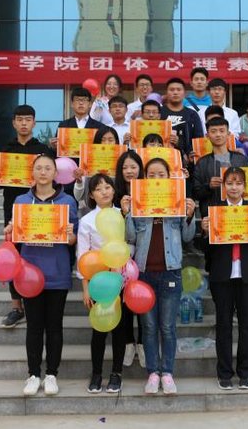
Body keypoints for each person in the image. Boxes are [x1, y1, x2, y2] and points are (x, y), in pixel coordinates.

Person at [3, 153, 78, 396]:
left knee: (54, 326)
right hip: (29, 273)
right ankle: (33, 374)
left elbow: (73, 240)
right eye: (39, 168)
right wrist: (10, 230)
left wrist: (70, 234)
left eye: (48, 168)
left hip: (57, 271)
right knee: (34, 326)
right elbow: (16, 239)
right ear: (32, 172)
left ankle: (52, 374)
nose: (43, 172)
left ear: (56, 173)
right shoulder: (21, 201)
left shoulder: (67, 201)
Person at [123, 158, 196, 395]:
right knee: (149, 326)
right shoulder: (138, 201)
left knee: (167, 327)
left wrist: (189, 215)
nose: (156, 179)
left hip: (171, 271)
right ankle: (153, 373)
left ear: (169, 177)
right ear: (145, 178)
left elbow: (187, 237)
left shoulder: (177, 200)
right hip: (144, 273)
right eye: (151, 175)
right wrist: (128, 213)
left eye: (161, 174)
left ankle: (168, 373)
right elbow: (130, 236)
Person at [0, 104, 50, 328]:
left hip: (39, 209)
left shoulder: (42, 150)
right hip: (12, 209)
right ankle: (16, 307)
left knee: (38, 254)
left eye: (28, 119)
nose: (24, 123)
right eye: (20, 120)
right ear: (14, 123)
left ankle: (38, 301)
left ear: (34, 123)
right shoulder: (5, 150)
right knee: (14, 255)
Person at [200, 167, 248, 390]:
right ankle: (224, 372)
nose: (234, 188)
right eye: (230, 183)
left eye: (238, 183)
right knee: (223, 325)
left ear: (245, 187)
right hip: (222, 275)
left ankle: (246, 372)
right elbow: (205, 249)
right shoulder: (215, 211)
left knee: (247, 326)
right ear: (224, 187)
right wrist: (205, 232)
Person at [76, 173, 126, 394]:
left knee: (119, 330)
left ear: (114, 190)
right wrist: (86, 288)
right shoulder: (87, 221)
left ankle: (116, 373)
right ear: (91, 195)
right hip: (98, 282)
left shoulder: (123, 214)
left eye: (107, 187)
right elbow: (82, 256)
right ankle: (96, 374)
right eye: (98, 189)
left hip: (122, 279)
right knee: (99, 330)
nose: (104, 192)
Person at [111, 151, 146, 368]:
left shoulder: (149, 192)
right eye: (125, 168)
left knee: (141, 299)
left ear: (140, 169)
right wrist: (124, 213)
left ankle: (142, 343)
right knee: (123, 301)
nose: (129, 171)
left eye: (133, 167)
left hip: (143, 254)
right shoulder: (114, 194)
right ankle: (127, 342)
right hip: (119, 256)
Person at [192, 116, 248, 219]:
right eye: (213, 131)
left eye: (222, 131)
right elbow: (195, 193)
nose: (218, 134)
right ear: (207, 136)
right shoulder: (202, 163)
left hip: (239, 216)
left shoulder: (241, 159)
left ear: (228, 134)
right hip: (212, 217)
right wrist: (208, 186)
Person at [161, 77, 204, 160]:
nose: (175, 92)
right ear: (166, 93)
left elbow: (199, 140)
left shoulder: (192, 114)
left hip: (186, 160)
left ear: (184, 93)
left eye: (179, 89)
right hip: (162, 158)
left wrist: (182, 145)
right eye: (172, 90)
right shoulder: (159, 112)